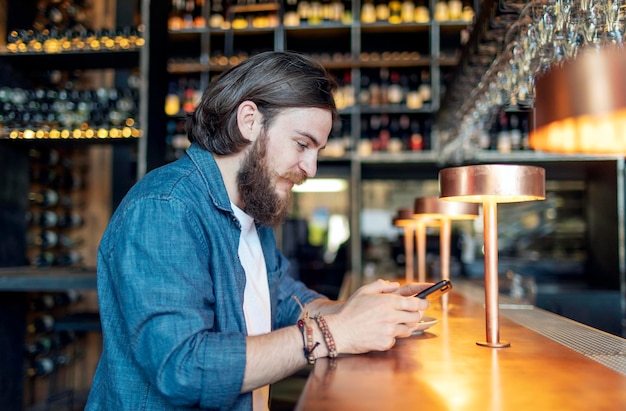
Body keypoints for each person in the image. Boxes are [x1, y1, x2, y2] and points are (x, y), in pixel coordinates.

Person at [85, 50, 431, 411]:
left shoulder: (251, 210)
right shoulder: (165, 208)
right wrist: (336, 333)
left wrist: (363, 312)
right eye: (302, 144)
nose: (311, 168)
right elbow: (183, 368)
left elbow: (285, 303)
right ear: (249, 120)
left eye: (317, 151)